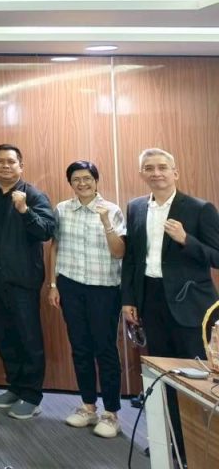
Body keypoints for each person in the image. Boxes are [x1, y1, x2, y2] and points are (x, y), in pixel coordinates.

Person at [121, 148, 219, 460]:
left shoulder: (200, 209)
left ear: (175, 172)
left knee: (195, 379)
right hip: (151, 301)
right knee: (163, 375)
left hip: (191, 305)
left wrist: (186, 240)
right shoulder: (136, 207)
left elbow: (217, 257)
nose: (156, 173)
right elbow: (131, 259)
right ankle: (172, 443)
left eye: (162, 167)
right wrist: (128, 300)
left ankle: (200, 448)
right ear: (142, 174)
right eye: (149, 168)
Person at [0, 143, 54, 420]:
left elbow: (46, 231)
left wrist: (24, 210)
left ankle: (32, 395)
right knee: (3, 334)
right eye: (0, 161)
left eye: (11, 162)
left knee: (27, 336)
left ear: (21, 165)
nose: (5, 166)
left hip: (21, 279)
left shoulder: (33, 194)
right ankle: (15, 387)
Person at [47, 161, 126, 439]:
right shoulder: (62, 209)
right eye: (76, 179)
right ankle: (88, 406)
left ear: (96, 180)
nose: (82, 183)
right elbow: (55, 247)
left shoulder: (111, 210)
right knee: (80, 347)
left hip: (104, 288)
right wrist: (53, 284)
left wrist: (106, 223)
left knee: (105, 349)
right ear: (70, 183)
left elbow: (119, 252)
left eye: (87, 178)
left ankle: (111, 413)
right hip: (70, 286)